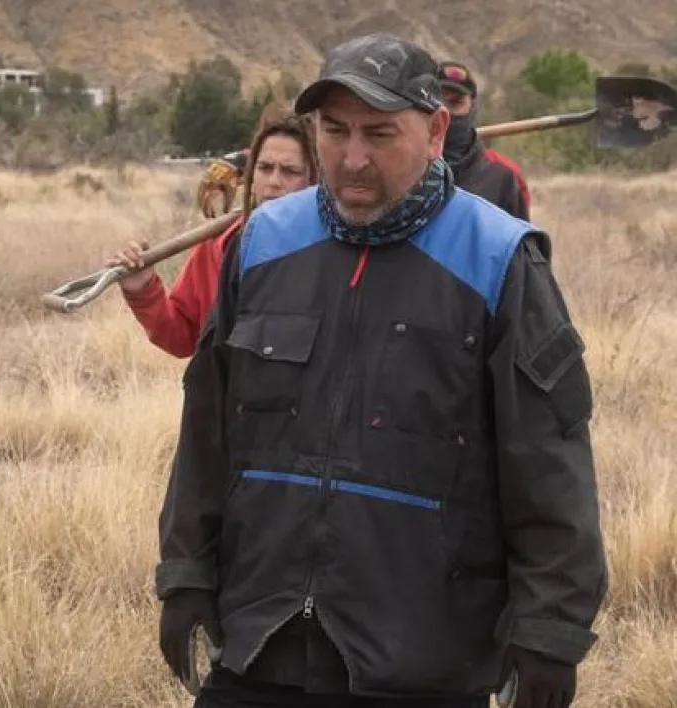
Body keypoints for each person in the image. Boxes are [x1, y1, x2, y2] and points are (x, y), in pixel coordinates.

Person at [154, 33, 608, 708]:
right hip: (261, 642)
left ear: (435, 132)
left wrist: (550, 629)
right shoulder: (261, 244)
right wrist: (186, 570)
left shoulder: (499, 259)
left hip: (423, 659)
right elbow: (209, 426)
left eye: (380, 133)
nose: (353, 159)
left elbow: (548, 459)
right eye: (333, 132)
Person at [108, 106, 317, 358]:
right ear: (251, 176)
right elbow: (182, 337)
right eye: (264, 168)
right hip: (226, 395)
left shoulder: (330, 253)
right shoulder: (219, 245)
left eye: (290, 171)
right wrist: (143, 290)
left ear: (313, 180)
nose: (273, 181)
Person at [438, 60, 532, 220]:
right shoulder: (402, 169)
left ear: (472, 107)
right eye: (437, 101)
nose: (445, 112)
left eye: (455, 103)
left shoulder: (504, 177)